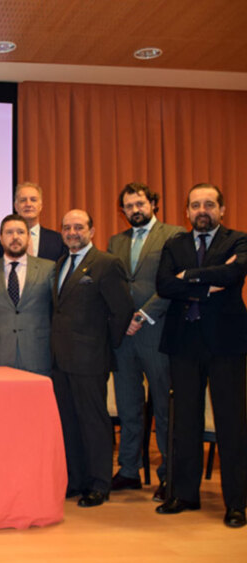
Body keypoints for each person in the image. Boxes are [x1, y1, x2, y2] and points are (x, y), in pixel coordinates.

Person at [155, 183, 247, 528]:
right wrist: (209, 285)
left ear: (222, 209)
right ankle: (184, 495)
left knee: (231, 423)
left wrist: (190, 277)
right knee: (185, 422)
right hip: (183, 342)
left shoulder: (238, 240)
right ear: (187, 211)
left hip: (226, 343)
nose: (201, 210)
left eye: (209, 204)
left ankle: (237, 503)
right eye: (195, 205)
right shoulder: (174, 243)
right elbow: (164, 285)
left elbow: (234, 273)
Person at [106, 183, 184, 501]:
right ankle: (129, 470)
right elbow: (114, 285)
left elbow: (175, 281)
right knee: (128, 406)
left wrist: (143, 315)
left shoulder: (175, 235)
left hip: (158, 331)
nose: (135, 209)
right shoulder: (116, 241)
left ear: (153, 203)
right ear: (122, 211)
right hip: (124, 336)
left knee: (165, 409)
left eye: (140, 203)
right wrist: (123, 319)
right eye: (128, 205)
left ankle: (171, 473)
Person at [51, 209, 132, 508]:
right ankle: (77, 481)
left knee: (94, 422)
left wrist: (104, 346)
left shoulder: (107, 263)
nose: (72, 232)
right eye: (67, 227)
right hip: (60, 360)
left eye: (79, 227)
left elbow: (122, 310)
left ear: (92, 230)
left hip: (90, 359)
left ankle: (99, 484)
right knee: (69, 423)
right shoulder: (61, 263)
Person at [0, 214, 54, 376]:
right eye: (9, 233)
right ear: (1, 238)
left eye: (20, 232)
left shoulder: (48, 268)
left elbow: (56, 311)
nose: (15, 237)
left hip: (38, 352)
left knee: (36, 401)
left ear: (28, 237)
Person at [0, 183, 66, 261]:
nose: (28, 204)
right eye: (23, 200)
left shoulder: (58, 240)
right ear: (16, 206)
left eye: (33, 200)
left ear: (40, 206)